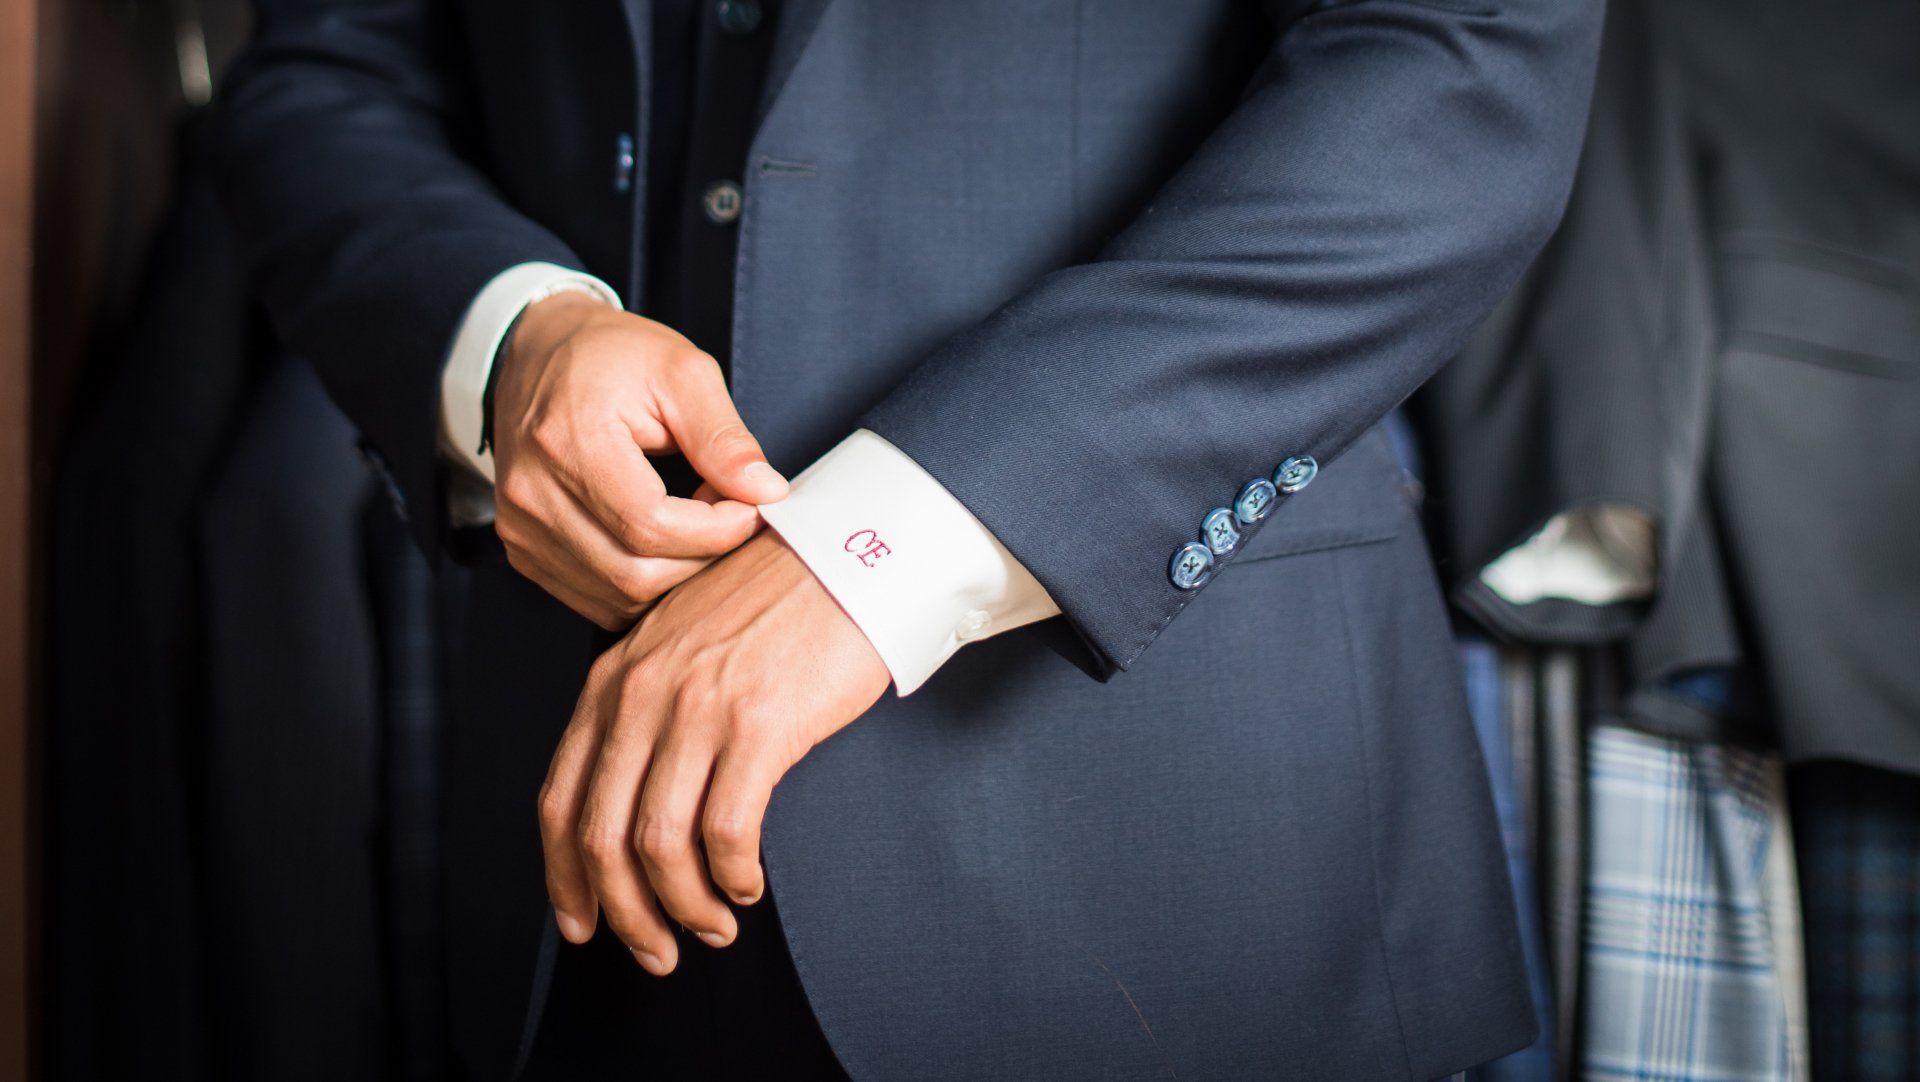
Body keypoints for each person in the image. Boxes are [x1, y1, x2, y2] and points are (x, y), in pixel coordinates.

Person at [214, 0, 1601, 1077]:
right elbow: (326, 77)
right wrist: (512, 334)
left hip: (1176, 886)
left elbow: (1459, 67)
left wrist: (884, 546)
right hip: (589, 881)